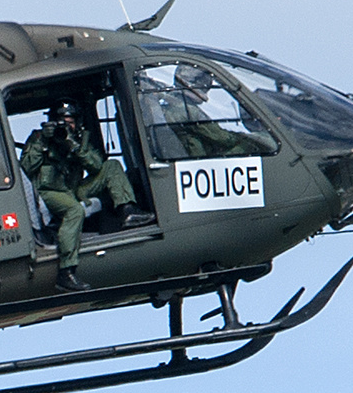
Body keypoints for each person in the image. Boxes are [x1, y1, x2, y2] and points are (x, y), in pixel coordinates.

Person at [20, 101, 152, 291]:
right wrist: (43, 143)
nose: (65, 126)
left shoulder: (79, 139)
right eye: (61, 122)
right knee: (74, 211)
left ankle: (128, 211)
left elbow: (97, 166)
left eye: (70, 121)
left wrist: (75, 146)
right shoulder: (39, 138)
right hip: (49, 192)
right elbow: (26, 168)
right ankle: (66, 271)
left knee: (111, 166)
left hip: (73, 189)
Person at [158, 66, 273, 158]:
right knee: (249, 146)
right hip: (200, 163)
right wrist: (259, 138)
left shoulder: (169, 105)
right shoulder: (189, 111)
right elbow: (223, 138)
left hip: (190, 158)